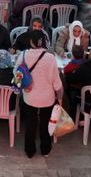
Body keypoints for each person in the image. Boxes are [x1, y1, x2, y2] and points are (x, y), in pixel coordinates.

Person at [18, 30, 63, 158]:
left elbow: (17, 75)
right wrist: (59, 97)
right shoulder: (50, 58)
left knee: (30, 123)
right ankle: (45, 149)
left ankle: (30, 150)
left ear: (30, 41)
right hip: (47, 98)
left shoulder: (23, 55)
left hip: (30, 97)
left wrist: (24, 86)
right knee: (45, 124)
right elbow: (56, 82)